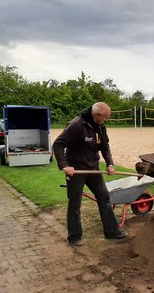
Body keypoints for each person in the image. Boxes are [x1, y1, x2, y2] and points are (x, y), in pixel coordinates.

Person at [53, 102, 126, 246]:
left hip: (93, 168)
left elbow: (105, 147)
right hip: (76, 170)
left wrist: (110, 163)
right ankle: (74, 236)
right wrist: (65, 166)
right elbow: (58, 144)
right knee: (75, 202)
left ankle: (112, 231)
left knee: (104, 197)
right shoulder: (76, 125)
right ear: (97, 114)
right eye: (105, 117)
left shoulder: (100, 127)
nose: (106, 120)